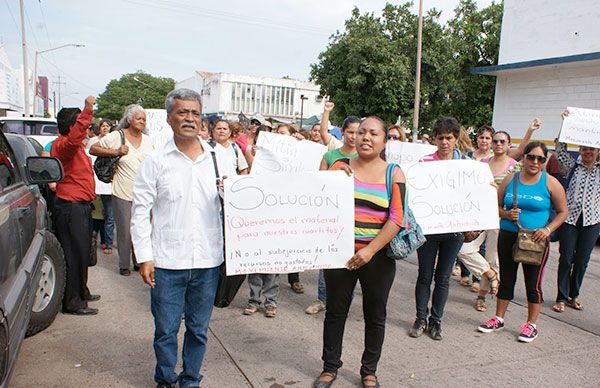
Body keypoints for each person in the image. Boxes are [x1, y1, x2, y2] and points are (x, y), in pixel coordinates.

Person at [131, 88, 234, 388]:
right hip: (166, 263)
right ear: (169, 118)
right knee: (165, 330)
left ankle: (190, 380)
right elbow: (140, 211)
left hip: (208, 261)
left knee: (199, 330)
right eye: (182, 112)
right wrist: (144, 256)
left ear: (202, 120)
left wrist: (232, 192)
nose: (189, 118)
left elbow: (240, 201)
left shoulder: (219, 158)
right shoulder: (156, 160)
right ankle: (165, 379)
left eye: (195, 113)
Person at [314, 116, 406, 388]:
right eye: (361, 132)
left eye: (373, 134)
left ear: (384, 140)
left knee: (375, 314)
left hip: (376, 257)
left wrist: (370, 251)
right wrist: (329, 180)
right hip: (339, 254)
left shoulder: (394, 173)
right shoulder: (339, 167)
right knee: (335, 312)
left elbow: (397, 218)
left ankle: (369, 370)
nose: (365, 137)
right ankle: (330, 368)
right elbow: (317, 202)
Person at [479, 141, 567, 343]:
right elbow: (495, 205)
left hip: (535, 240)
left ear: (545, 161)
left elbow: (563, 212)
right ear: (524, 157)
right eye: (531, 157)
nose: (535, 162)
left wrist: (547, 229)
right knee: (507, 279)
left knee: (532, 283)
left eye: (540, 159)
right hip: (509, 236)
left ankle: (531, 325)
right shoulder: (511, 179)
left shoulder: (550, 183)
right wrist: (506, 214)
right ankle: (499, 318)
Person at [409, 117, 469, 341]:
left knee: (443, 277)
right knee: (424, 275)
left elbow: (473, 193)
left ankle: (436, 321)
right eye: (441, 137)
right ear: (435, 139)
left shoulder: (466, 164)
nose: (445, 142)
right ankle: (420, 318)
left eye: (449, 138)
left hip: (454, 231)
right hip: (428, 229)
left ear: (456, 139)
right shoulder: (424, 162)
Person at [306, 102, 360, 315]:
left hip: (355, 218)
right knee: (327, 258)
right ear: (343, 132)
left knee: (350, 260)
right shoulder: (331, 155)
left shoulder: (366, 158)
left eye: (358, 133)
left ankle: (344, 301)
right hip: (331, 216)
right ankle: (322, 299)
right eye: (350, 132)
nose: (354, 137)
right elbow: (320, 185)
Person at [90, 104, 154, 276]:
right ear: (129, 119)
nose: (142, 121)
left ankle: (139, 261)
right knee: (125, 230)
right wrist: (116, 151)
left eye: (144, 119)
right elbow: (93, 148)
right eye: (139, 118)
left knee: (142, 229)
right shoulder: (117, 136)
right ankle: (124, 264)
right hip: (122, 191)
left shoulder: (148, 140)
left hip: (144, 193)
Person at [51, 96, 100, 315]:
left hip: (79, 206)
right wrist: (88, 109)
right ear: (73, 126)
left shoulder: (73, 147)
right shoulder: (64, 145)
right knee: (73, 254)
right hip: (71, 207)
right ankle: (73, 302)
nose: (87, 128)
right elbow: (74, 138)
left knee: (82, 253)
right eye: (81, 123)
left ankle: (82, 292)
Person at [462, 130, 520, 312]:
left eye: (502, 141)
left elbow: (518, 190)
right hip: (479, 215)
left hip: (499, 217)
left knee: (492, 257)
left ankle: (481, 296)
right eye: (495, 141)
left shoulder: (515, 166)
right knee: (463, 250)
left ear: (509, 144)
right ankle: (489, 274)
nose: (498, 144)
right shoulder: (482, 164)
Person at [552, 111, 600, 313]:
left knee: (581, 261)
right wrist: (567, 123)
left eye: (592, 148)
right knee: (566, 258)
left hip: (592, 221)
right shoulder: (572, 165)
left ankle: (574, 295)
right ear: (579, 148)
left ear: (598, 150)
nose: (588, 152)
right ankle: (561, 297)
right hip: (570, 219)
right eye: (584, 148)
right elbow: (560, 149)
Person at [88, 119, 115, 255]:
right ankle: (94, 239)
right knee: (97, 214)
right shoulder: (93, 143)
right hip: (97, 185)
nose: (105, 128)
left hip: (110, 185)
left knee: (110, 216)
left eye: (107, 126)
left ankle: (108, 242)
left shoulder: (115, 140)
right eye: (103, 126)